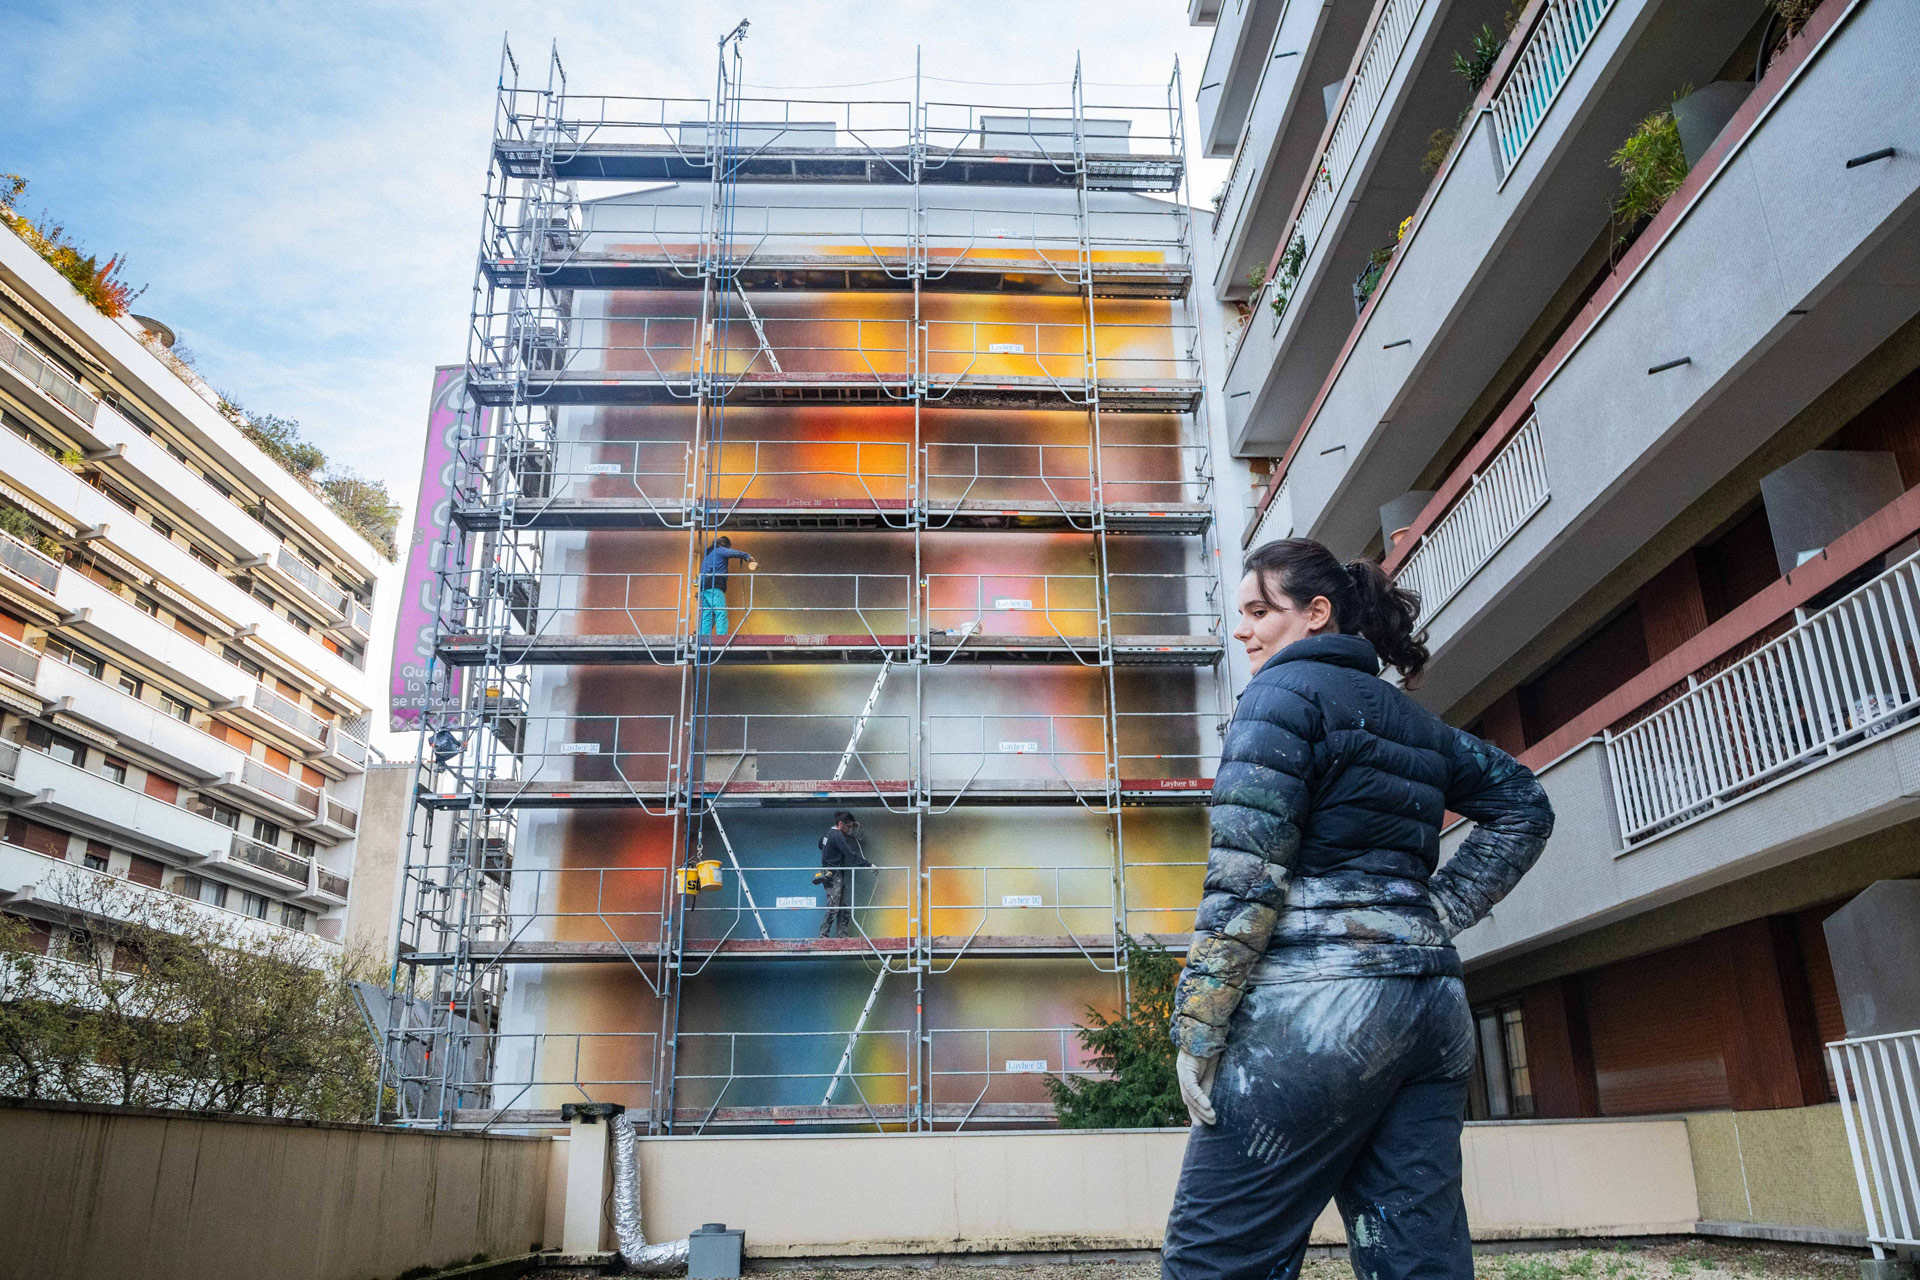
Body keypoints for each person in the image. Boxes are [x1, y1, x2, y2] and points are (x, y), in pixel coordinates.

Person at [1162, 538, 1555, 1280]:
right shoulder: (1411, 719)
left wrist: (1199, 1025)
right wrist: (1429, 916)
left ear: (1316, 613)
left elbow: (1246, 879)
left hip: (1316, 1015)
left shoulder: (1276, 699)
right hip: (1431, 1014)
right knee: (1418, 1258)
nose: (1242, 630)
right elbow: (1524, 803)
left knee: (1218, 1259)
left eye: (1258, 612)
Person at [815, 811, 874, 939]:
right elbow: (850, 855)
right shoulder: (837, 836)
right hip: (834, 876)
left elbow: (820, 844)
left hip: (831, 874)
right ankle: (823, 935)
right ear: (841, 824)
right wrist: (868, 865)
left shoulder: (828, 834)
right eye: (849, 826)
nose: (850, 830)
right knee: (834, 907)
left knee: (843, 909)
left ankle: (843, 936)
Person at [698, 536, 756, 636]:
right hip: (714, 585)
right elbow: (733, 553)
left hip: (704, 587)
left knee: (707, 615)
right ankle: (722, 637)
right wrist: (748, 556)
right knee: (721, 612)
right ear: (724, 545)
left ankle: (703, 636)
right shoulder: (719, 550)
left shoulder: (708, 555)